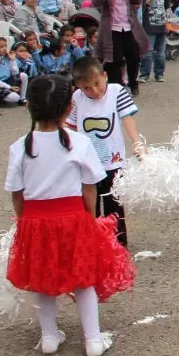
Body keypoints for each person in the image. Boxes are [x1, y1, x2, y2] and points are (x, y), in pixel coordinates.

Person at [5, 75, 131, 356]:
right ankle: (93, 339)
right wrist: (88, 219)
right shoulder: (79, 143)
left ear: (29, 107)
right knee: (83, 278)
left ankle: (49, 336)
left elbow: (16, 193)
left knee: (42, 276)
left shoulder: (20, 147)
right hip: (74, 217)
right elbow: (91, 186)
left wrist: (25, 222)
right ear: (67, 109)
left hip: (35, 220)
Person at [67, 55, 141, 247]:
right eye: (86, 88)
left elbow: (127, 119)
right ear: (78, 86)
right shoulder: (77, 98)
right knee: (89, 204)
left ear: (105, 76)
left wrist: (137, 143)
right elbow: (71, 125)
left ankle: (118, 245)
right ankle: (95, 243)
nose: (94, 91)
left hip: (112, 160)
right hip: (87, 161)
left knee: (114, 204)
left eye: (97, 83)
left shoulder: (116, 92)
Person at [94, 0, 147, 95]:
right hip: (112, 27)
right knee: (114, 58)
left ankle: (133, 82)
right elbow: (95, 2)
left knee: (134, 55)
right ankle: (116, 87)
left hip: (129, 26)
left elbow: (138, 0)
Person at [136, 0, 169, 83]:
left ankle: (159, 74)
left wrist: (167, 23)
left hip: (161, 25)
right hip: (149, 27)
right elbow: (147, 3)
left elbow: (166, 8)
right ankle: (144, 74)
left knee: (160, 53)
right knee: (148, 52)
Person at [0, 36, 27, 106]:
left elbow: (15, 73)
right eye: (1, 47)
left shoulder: (6, 57)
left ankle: (22, 98)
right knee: (15, 98)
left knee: (23, 75)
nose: (4, 48)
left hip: (8, 81)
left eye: (5, 46)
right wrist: (10, 87)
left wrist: (12, 60)